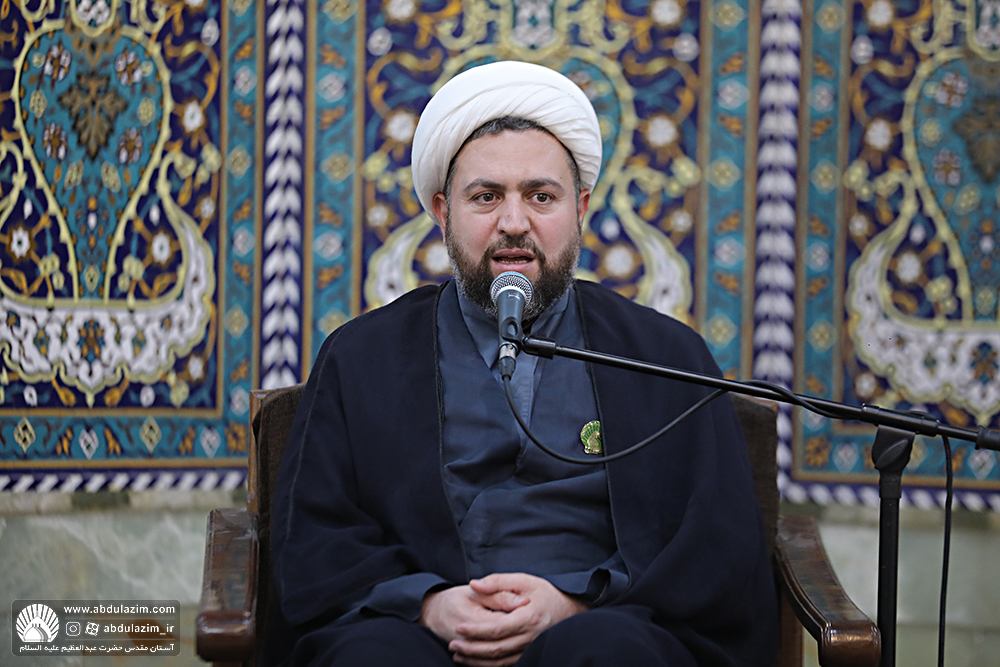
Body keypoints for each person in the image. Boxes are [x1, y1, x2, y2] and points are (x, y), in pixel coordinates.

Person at [263, 61, 777, 667]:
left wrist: (574, 606)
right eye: (486, 197)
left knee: (609, 652)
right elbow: (315, 535)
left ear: (580, 207)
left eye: (541, 196)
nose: (514, 223)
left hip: (604, 626)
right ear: (443, 212)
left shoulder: (663, 357)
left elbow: (714, 545)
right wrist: (429, 604)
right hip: (421, 634)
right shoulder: (362, 357)